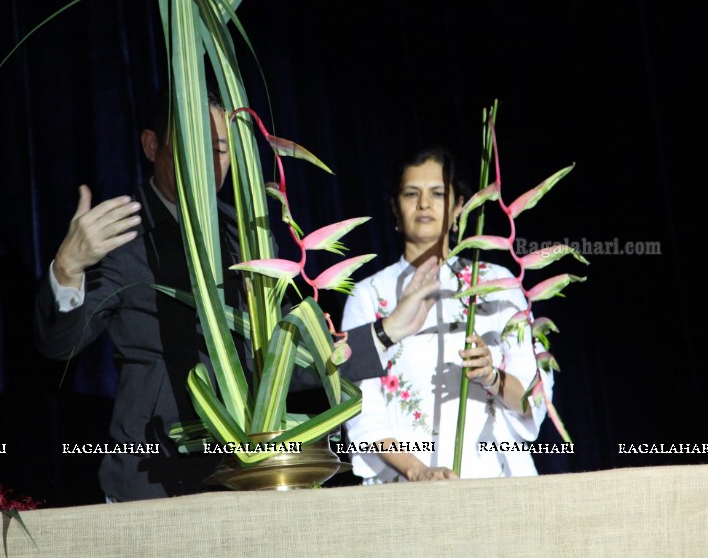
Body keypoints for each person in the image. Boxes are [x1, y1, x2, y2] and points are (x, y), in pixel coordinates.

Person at [35, 91, 443, 501]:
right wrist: (68, 268)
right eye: (193, 143)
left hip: (244, 476)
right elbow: (59, 345)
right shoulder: (121, 233)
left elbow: (285, 357)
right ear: (151, 145)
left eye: (220, 148)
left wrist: (387, 331)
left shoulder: (245, 234)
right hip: (153, 479)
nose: (209, 161)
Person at [343, 146, 551, 482]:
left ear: (458, 207)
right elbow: (362, 412)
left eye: (437, 193)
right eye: (412, 193)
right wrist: (420, 472)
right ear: (395, 207)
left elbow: (533, 400)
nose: (424, 204)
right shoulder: (369, 294)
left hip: (495, 478)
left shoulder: (497, 284)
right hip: (409, 486)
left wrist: (491, 376)